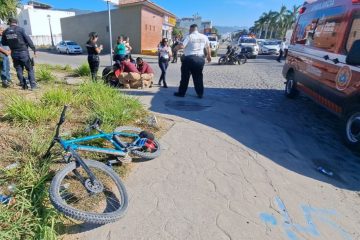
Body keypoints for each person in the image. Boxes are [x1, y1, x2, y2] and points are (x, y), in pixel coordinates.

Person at [174, 24, 211, 98]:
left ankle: (181, 93)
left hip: (189, 59)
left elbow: (182, 46)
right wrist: (209, 56)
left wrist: (175, 48)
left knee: (185, 77)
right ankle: (200, 94)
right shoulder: (204, 37)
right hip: (200, 59)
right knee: (198, 77)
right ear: (197, 29)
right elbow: (208, 47)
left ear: (191, 29)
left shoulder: (189, 36)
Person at [1, 18, 37, 90]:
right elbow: (28, 40)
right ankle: (33, 86)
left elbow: (4, 42)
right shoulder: (20, 29)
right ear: (16, 23)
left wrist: (11, 43)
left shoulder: (5, 32)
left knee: (19, 70)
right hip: (23, 52)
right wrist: (34, 49)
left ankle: (24, 85)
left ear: (9, 23)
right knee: (29, 69)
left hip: (14, 53)